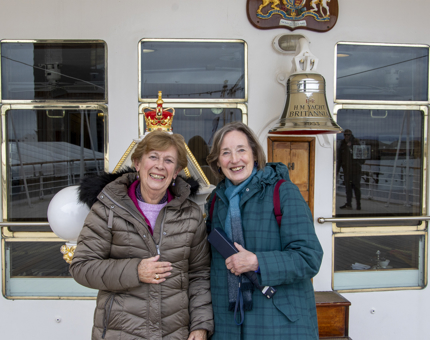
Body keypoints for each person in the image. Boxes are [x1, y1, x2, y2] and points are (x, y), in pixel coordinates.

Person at [69, 130, 213, 340]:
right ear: (137, 163)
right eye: (153, 157)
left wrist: (200, 326)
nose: (159, 165)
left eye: (169, 160)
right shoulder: (107, 209)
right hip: (120, 333)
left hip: (174, 333)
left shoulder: (190, 215)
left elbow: (199, 275)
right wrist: (135, 270)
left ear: (176, 171)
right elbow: (82, 266)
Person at [205, 122, 323, 340]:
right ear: (217, 162)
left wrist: (257, 262)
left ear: (255, 154)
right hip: (229, 325)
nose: (234, 159)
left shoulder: (283, 193)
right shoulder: (216, 201)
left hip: (278, 325)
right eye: (225, 153)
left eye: (241, 150)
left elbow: (309, 258)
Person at [336, 129, 364, 210]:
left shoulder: (356, 143)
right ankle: (348, 204)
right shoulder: (342, 144)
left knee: (356, 187)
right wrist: (337, 169)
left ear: (351, 135)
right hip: (347, 170)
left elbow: (360, 157)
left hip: (356, 170)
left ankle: (358, 204)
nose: (347, 136)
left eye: (348, 135)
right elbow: (340, 158)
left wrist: (350, 148)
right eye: (345, 134)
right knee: (348, 188)